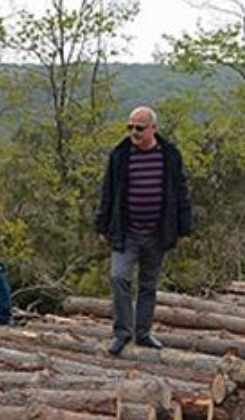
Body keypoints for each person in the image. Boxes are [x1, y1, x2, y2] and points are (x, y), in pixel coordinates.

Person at [96, 106, 193, 355]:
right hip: (126, 231)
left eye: (139, 128)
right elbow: (107, 192)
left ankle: (143, 332)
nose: (134, 132)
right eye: (130, 127)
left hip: (157, 232)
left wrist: (185, 228)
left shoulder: (170, 154)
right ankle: (122, 333)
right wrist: (102, 225)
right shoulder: (119, 155)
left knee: (148, 284)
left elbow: (181, 192)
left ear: (153, 128)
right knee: (119, 277)